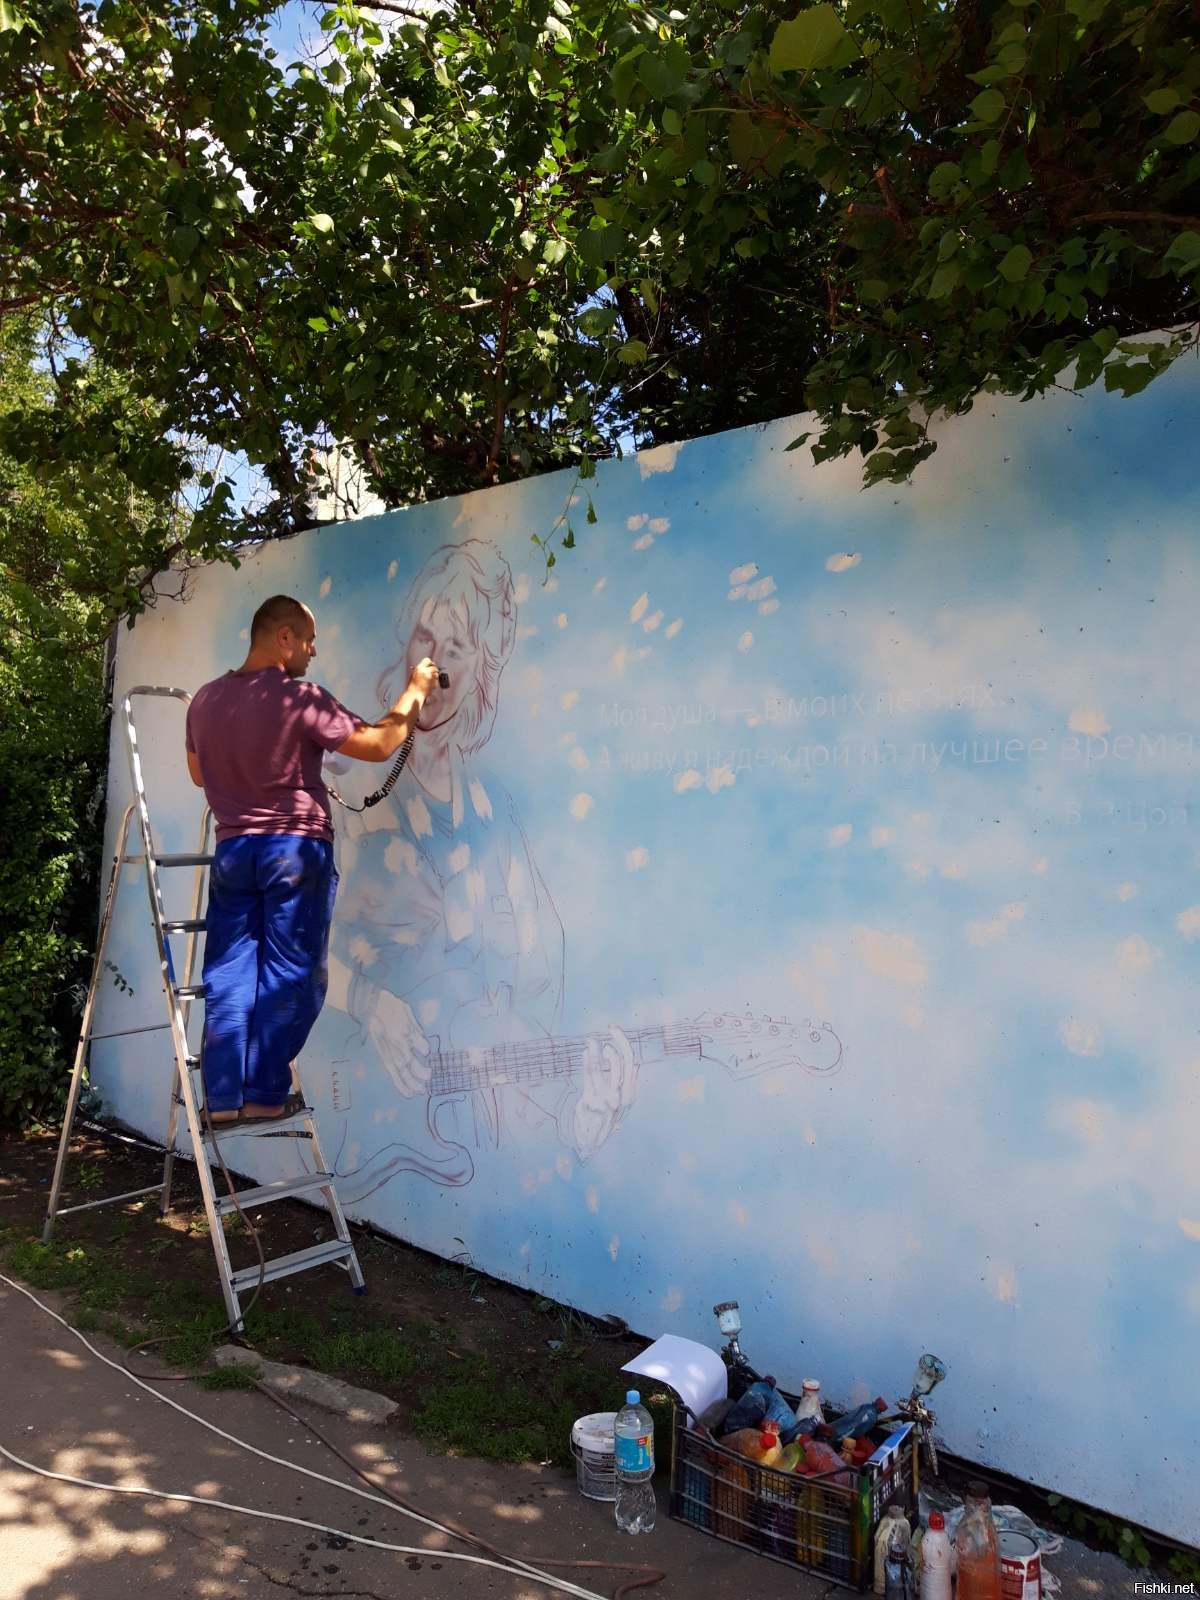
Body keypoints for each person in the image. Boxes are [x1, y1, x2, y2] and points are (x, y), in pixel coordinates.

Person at [318, 539, 638, 1200]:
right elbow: (287, 939)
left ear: (484, 671)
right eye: (424, 637)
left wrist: (579, 1104)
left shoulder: (493, 818)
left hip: (466, 1137)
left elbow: (531, 987)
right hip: (355, 1116)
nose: (433, 664)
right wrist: (367, 1001)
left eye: (457, 648)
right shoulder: (349, 783)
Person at [184, 593, 440, 1124]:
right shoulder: (300, 698)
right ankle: (264, 1094)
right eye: (308, 641)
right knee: (291, 974)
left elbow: (198, 774)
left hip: (234, 852)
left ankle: (224, 1100)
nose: (313, 651)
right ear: (284, 638)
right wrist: (416, 689)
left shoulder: (205, 700)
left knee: (229, 971)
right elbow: (377, 744)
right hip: (294, 853)